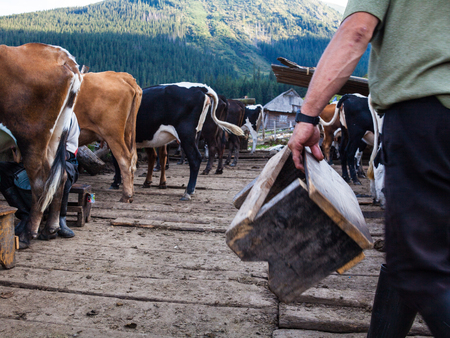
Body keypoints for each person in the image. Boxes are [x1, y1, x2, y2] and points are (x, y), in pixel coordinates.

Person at [287, 1, 450, 337]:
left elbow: (357, 31)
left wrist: (307, 116)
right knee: (411, 251)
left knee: (418, 265)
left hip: (427, 114)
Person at [0, 111, 80, 239]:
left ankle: (60, 218)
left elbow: (72, 148)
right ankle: (25, 215)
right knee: (2, 170)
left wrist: (49, 160)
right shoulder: (30, 112)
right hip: (32, 161)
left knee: (61, 173)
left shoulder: (69, 115)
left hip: (63, 162)